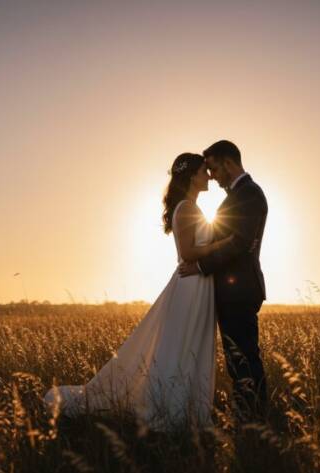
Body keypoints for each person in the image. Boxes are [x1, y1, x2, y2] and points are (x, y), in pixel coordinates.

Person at [44, 152, 232, 431]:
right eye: (204, 171)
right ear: (192, 176)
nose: (209, 176)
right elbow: (187, 253)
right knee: (180, 346)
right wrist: (224, 243)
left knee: (190, 345)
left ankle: (187, 408)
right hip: (190, 285)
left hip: (199, 284)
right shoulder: (186, 208)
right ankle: (170, 408)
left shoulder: (191, 207)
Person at [178, 140, 269, 421]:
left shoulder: (249, 194)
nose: (212, 175)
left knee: (244, 357)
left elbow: (239, 243)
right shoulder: (238, 195)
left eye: (214, 168)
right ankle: (249, 415)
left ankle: (254, 418)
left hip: (240, 289)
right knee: (237, 357)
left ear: (229, 163)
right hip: (232, 289)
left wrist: (200, 266)